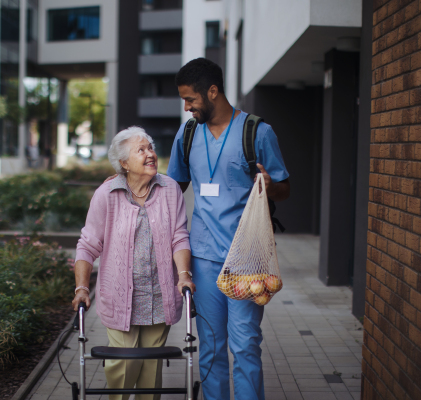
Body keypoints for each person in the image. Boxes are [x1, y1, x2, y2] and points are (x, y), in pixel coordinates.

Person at [167, 58, 290, 400]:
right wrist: (128, 183)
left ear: (213, 91)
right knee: (211, 349)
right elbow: (172, 186)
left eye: (190, 99)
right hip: (203, 258)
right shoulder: (188, 134)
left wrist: (268, 183)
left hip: (247, 259)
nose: (187, 107)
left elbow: (284, 187)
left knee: (246, 345)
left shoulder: (257, 132)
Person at [72, 126, 195, 400]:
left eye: (150, 148)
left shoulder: (170, 189)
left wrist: (184, 274)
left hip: (158, 297)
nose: (150, 154)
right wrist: (81, 288)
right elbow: (88, 243)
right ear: (124, 163)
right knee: (124, 366)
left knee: (151, 371)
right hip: (119, 297)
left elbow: (179, 237)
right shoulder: (107, 194)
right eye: (141, 150)